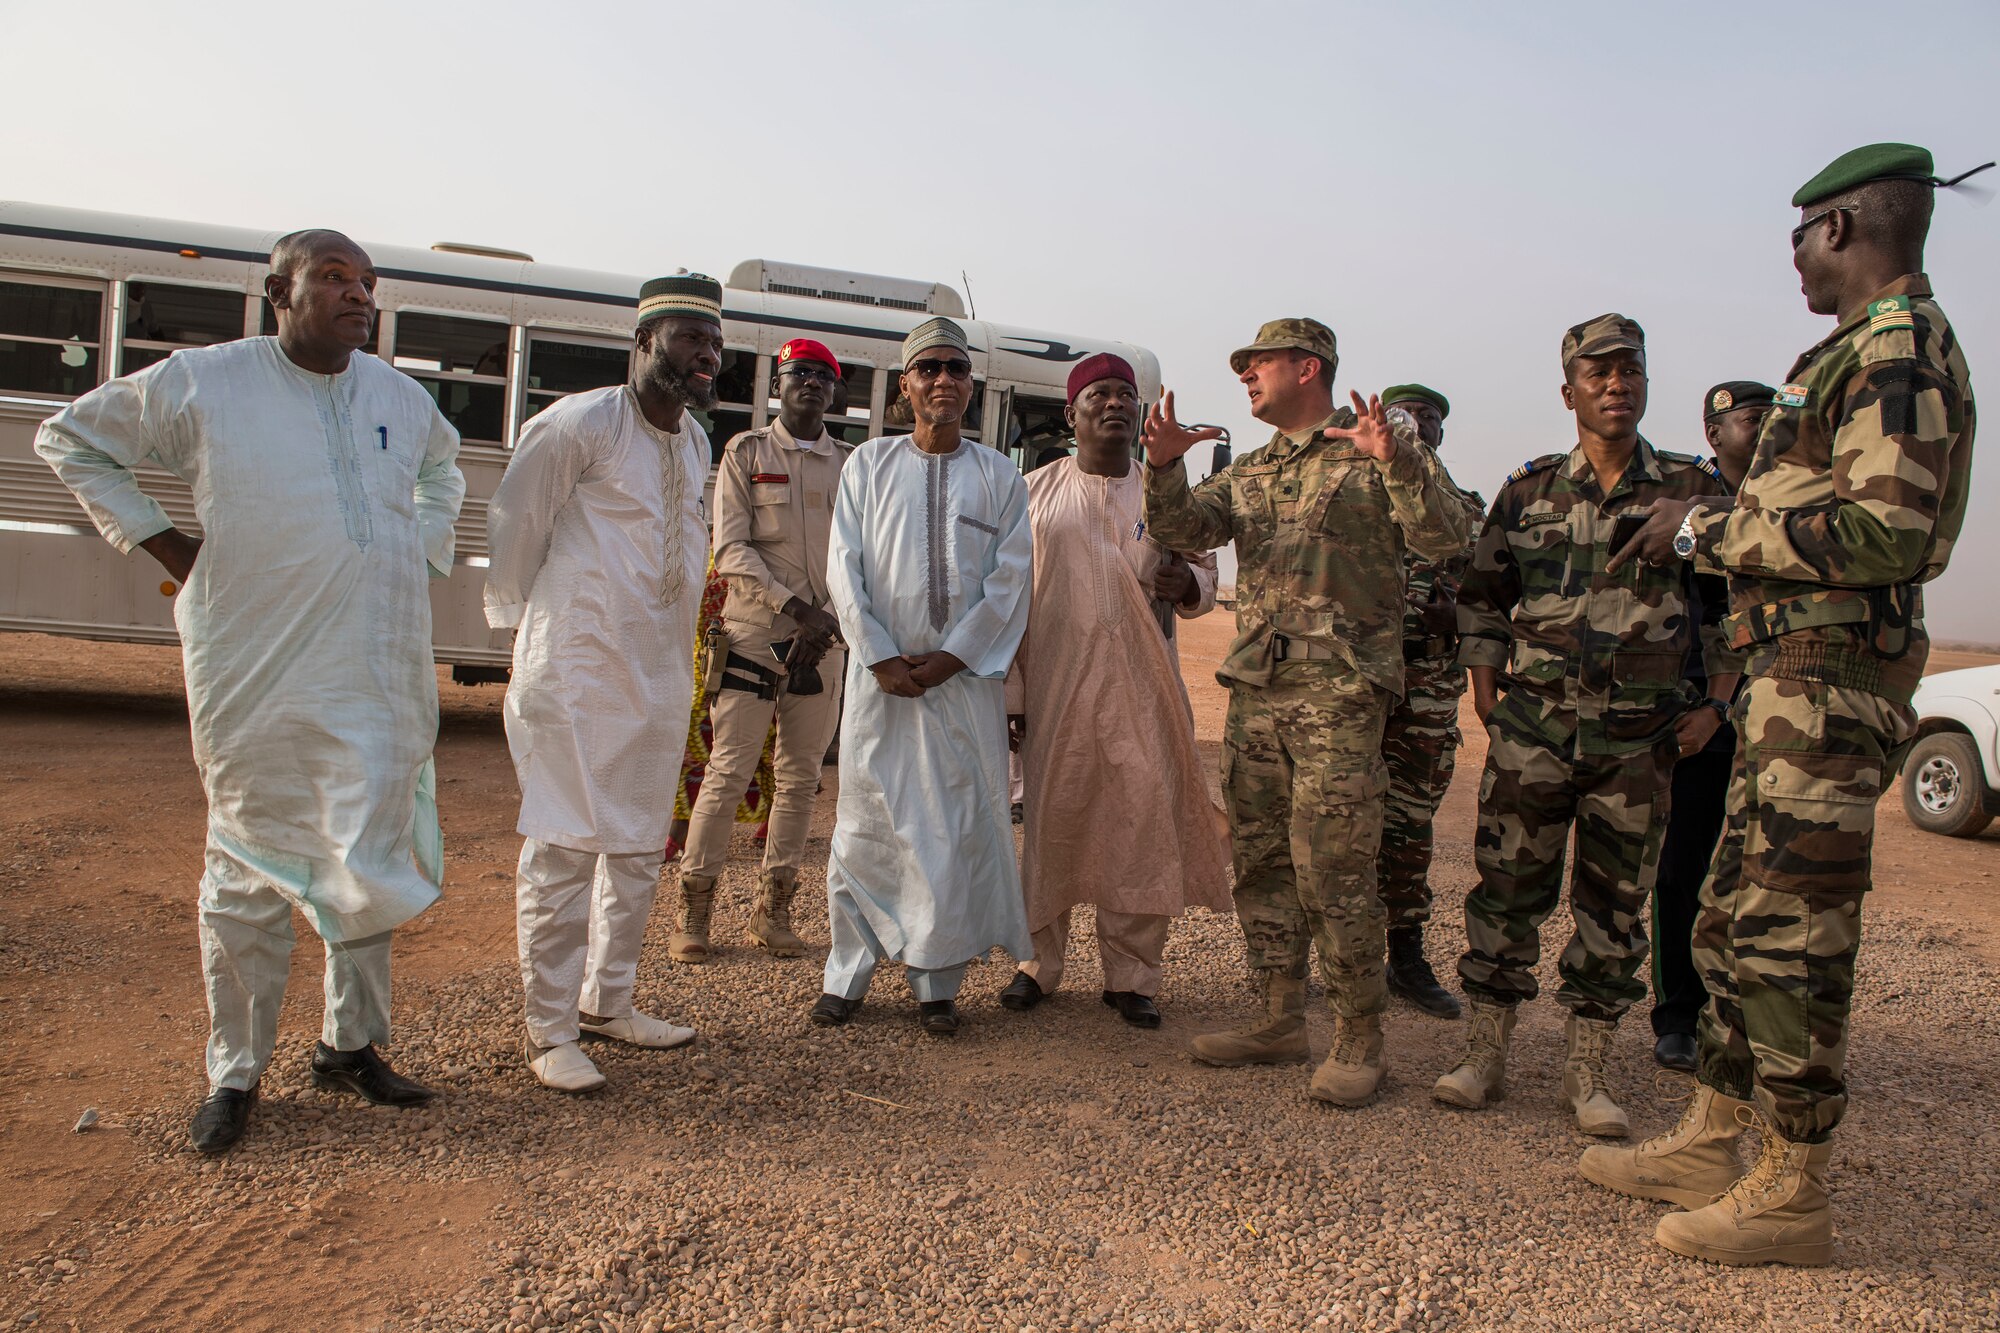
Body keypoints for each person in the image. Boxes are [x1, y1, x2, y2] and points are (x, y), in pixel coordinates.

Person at [1583, 143, 1982, 1266]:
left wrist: (1703, 530)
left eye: (1799, 235)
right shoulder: (1850, 350)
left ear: (1843, 227)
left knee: (1794, 937)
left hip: (1830, 678)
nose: (1794, 259)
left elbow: (1890, 533)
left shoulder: (1899, 350)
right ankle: (1716, 1134)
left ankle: (1793, 1186)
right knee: (1728, 918)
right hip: (1784, 675)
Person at [36, 229, 465, 1153]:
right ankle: (234, 1069)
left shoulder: (399, 396)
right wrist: (164, 543)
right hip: (255, 666)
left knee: (367, 852)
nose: (358, 296)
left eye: (369, 284)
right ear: (281, 290)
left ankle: (350, 1047)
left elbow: (443, 467)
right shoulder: (205, 381)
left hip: (376, 667)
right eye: (334, 278)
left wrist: (413, 548)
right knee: (249, 861)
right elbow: (70, 438)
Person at [1141, 319, 1468, 1107]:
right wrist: (1162, 466)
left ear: (1308, 367)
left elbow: (1447, 534)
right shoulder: (1253, 470)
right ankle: (1281, 1018)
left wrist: (1400, 463)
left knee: (1335, 867)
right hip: (1258, 694)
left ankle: (1360, 1036)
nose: (1246, 376)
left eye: (1258, 363)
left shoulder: (1376, 452)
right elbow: (1182, 528)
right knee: (1260, 860)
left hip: (1340, 696)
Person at [1434, 315, 1737, 1137]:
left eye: (1629, 371)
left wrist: (1718, 703)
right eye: (1598, 374)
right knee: (1505, 895)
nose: (1616, 385)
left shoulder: (1692, 493)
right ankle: (1483, 1056)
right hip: (1534, 732)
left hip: (1641, 742)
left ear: (1645, 383)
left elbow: (1731, 606)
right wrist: (1485, 687)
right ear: (1568, 391)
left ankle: (1588, 1075)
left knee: (1615, 909)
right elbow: (1482, 593)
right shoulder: (1530, 490)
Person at [484, 273, 720, 1092]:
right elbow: (517, 525)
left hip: (658, 671)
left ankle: (607, 1002)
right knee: (564, 842)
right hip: (579, 668)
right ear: (644, 342)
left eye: (714, 341)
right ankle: (548, 1029)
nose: (707, 353)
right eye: (690, 336)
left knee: (635, 847)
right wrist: (524, 628)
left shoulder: (693, 441)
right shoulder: (578, 424)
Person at [810, 317, 1033, 1035]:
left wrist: (948, 660)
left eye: (956, 369)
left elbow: (1010, 583)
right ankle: (847, 973)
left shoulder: (999, 475)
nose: (943, 380)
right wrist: (876, 653)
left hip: (963, 684)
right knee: (866, 823)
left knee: (954, 826)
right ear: (905, 384)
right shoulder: (868, 465)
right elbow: (842, 568)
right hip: (882, 683)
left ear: (971, 385)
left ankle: (937, 977)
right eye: (929, 368)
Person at [1000, 353, 1231, 1028]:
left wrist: (1188, 585)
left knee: (1139, 822)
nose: (1115, 404)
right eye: (1098, 394)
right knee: (1053, 820)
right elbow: (1007, 602)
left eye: (1127, 395)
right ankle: (1035, 965)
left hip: (1143, 687)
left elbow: (1207, 577)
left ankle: (1132, 976)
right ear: (1072, 414)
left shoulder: (1166, 493)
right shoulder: (1030, 492)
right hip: (1055, 686)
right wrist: (1013, 698)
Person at [673, 338, 855, 963]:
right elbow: (732, 549)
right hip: (755, 633)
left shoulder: (853, 466)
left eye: (821, 376)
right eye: (796, 373)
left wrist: (824, 622)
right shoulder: (745, 454)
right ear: (778, 385)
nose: (809, 383)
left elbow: (862, 557)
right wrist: (795, 610)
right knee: (728, 772)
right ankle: (694, 914)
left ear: (836, 392)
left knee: (801, 778)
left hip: (824, 640)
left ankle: (773, 912)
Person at [1647, 381, 1771, 1072]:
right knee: (1682, 865)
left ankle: (1750, 1014)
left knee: (1761, 867)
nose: (1765, 428)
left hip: (1772, 706)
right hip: (1703, 711)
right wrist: (1713, 709)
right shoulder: (1687, 507)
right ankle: (1678, 1015)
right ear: (1715, 430)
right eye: (1752, 418)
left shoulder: (1794, 501)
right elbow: (1711, 616)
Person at [1374, 383, 1487, 1019]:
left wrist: (1460, 618)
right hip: (1358, 686)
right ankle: (1331, 956)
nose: (1418, 423)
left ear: (1441, 433)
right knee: (1334, 818)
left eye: (1430, 417)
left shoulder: (1467, 508)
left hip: (1428, 692)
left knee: (1410, 825)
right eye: (1405, 414)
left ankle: (1407, 958)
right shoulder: (1359, 495)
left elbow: (1497, 594)